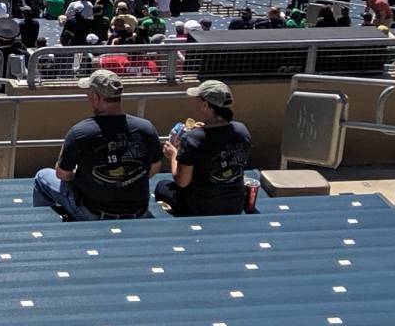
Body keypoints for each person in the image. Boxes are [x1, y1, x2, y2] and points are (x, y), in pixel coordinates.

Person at [34, 70, 164, 220]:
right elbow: (155, 167)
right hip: (139, 211)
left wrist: (82, 176)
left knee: (42, 176)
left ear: (96, 97)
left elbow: (62, 174)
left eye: (89, 93)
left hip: (93, 212)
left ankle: (43, 225)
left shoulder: (80, 132)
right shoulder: (146, 128)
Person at [153, 79, 254, 216]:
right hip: (235, 204)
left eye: (198, 99)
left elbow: (182, 181)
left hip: (201, 207)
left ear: (205, 104)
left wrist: (173, 155)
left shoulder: (193, 139)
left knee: (162, 187)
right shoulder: (242, 130)